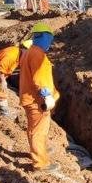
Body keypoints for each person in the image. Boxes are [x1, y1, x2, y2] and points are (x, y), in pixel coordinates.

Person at [19, 22, 59, 171]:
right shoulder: (37, 54)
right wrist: (47, 96)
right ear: (43, 36)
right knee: (38, 131)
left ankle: (38, 151)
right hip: (37, 100)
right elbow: (39, 78)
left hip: (30, 98)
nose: (50, 42)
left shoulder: (29, 51)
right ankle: (40, 164)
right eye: (49, 38)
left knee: (33, 129)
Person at [0, 38, 31, 118]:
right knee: (2, 92)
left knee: (0, 91)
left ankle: (2, 112)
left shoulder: (17, 52)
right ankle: (4, 114)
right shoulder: (11, 56)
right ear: (26, 50)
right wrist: (3, 82)